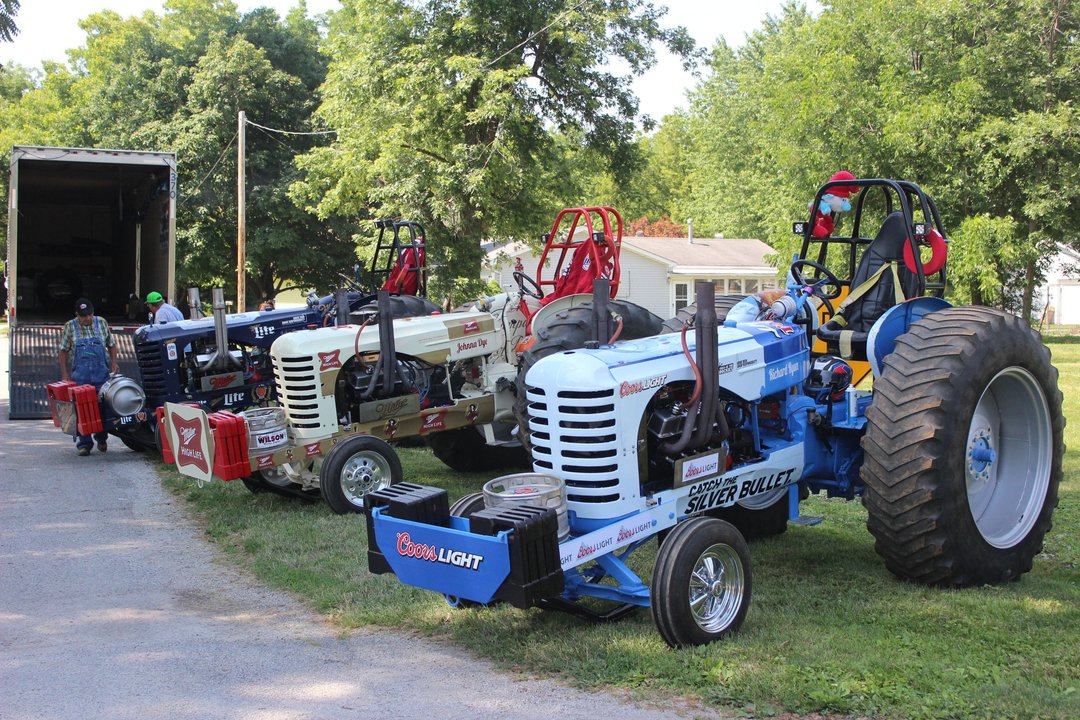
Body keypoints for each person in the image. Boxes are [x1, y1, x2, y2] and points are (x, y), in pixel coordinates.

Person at [59, 298, 120, 456]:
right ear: (76, 315)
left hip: (101, 374)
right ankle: (84, 443)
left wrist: (113, 362)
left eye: (90, 315)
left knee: (102, 407)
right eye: (83, 316)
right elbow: (63, 351)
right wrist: (65, 374)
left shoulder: (101, 323)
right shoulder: (70, 327)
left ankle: (101, 438)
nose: (87, 318)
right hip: (81, 376)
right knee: (82, 409)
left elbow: (111, 344)